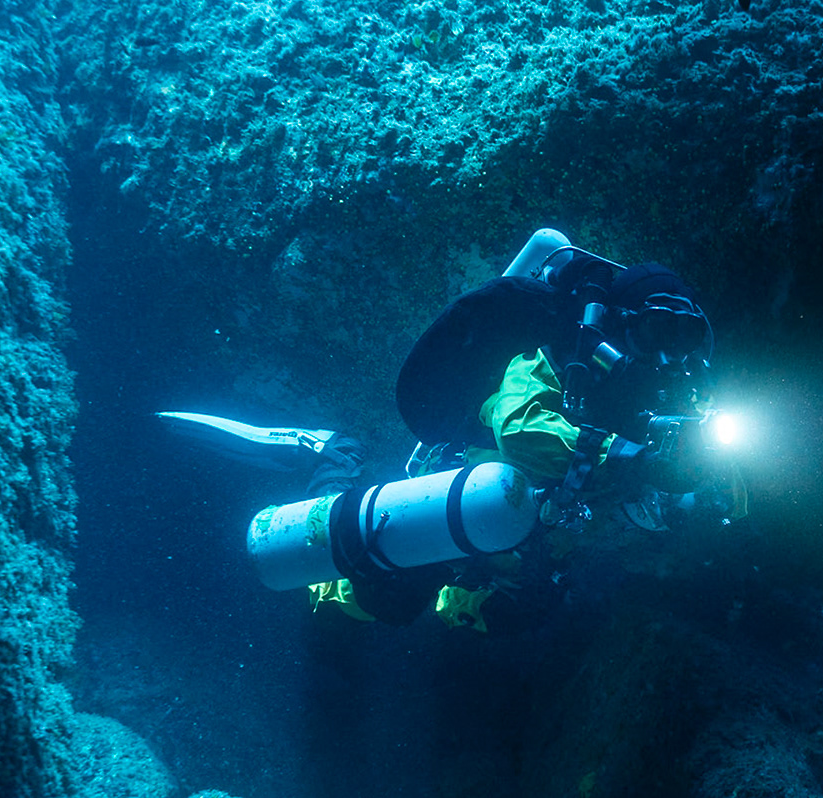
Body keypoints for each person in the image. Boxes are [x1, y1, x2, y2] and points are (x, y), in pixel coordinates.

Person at [160, 229, 744, 632]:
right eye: (654, 333)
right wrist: (635, 459)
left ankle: (445, 583)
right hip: (462, 473)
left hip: (510, 514)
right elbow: (519, 428)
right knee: (380, 598)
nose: (663, 359)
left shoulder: (654, 409)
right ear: (617, 321)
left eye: (681, 343)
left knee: (504, 609)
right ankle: (328, 459)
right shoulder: (551, 350)